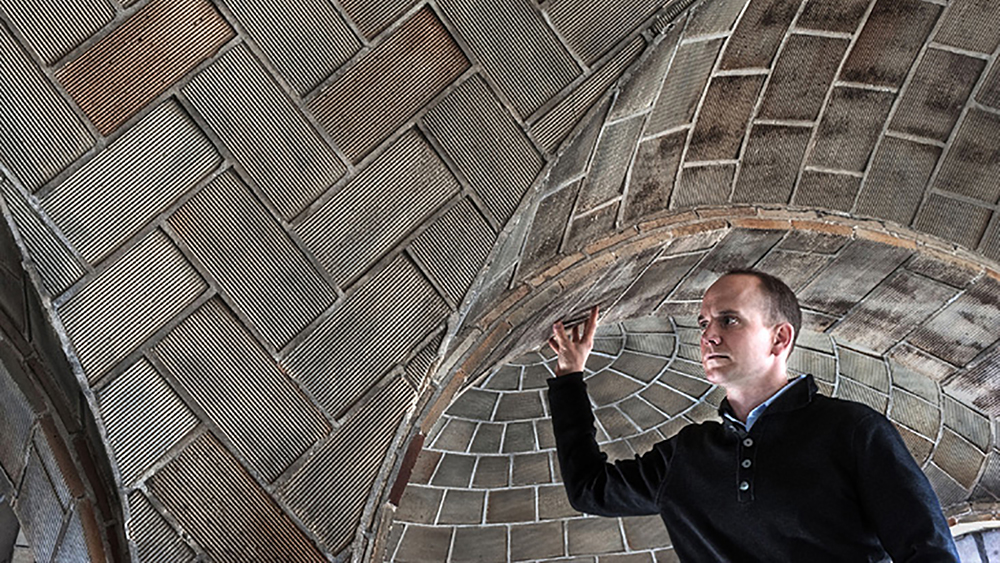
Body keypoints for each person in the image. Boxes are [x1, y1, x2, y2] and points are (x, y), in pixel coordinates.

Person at [546, 269, 958, 562]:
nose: (708, 335)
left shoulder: (852, 430)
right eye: (704, 322)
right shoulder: (685, 455)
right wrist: (569, 377)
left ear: (780, 338)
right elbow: (589, 489)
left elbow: (928, 550)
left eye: (729, 320)